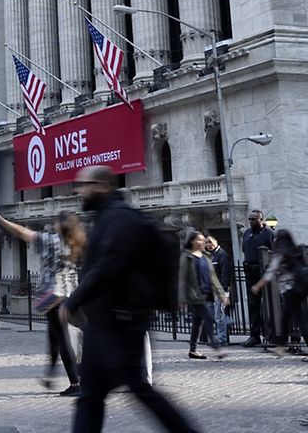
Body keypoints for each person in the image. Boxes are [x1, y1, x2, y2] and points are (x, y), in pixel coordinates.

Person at [60, 166, 202, 433]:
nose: (80, 191)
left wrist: (73, 301)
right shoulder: (106, 218)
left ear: (103, 185)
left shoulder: (119, 219)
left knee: (138, 390)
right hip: (102, 324)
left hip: (120, 324)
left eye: (84, 185)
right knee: (91, 396)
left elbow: (106, 267)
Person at [0, 210, 85, 395]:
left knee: (62, 339)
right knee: (53, 337)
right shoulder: (75, 243)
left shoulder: (52, 241)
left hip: (52, 296)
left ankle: (76, 384)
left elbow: (21, 232)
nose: (53, 223)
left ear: (61, 225)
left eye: (56, 221)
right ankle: (51, 377)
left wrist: (1, 220)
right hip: (68, 293)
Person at [251, 229, 308, 362]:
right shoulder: (295, 252)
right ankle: (280, 346)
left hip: (289, 290)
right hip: (298, 289)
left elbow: (269, 273)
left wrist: (257, 286)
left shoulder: (280, 254)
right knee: (285, 318)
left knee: (299, 320)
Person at [178, 231, 229, 360]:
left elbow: (213, 278)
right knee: (209, 318)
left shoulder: (206, 257)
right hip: (194, 296)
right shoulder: (186, 257)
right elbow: (182, 279)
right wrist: (181, 298)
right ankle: (216, 346)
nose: (203, 243)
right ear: (192, 241)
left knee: (197, 322)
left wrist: (221, 294)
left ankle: (193, 350)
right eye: (200, 240)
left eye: (204, 241)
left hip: (207, 294)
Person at [240, 210, 276, 347]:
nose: (251, 221)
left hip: (265, 272)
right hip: (251, 272)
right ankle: (254, 335)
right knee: (253, 304)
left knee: (269, 303)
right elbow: (245, 250)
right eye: (249, 218)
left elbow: (274, 252)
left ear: (261, 219)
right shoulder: (247, 233)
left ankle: (272, 333)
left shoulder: (269, 234)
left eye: (254, 219)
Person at [205, 235, 233, 346]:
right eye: (207, 243)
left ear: (216, 242)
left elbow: (225, 274)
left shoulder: (222, 255)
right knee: (214, 315)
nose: (208, 245)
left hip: (219, 290)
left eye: (210, 242)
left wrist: (223, 291)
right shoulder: (211, 256)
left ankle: (222, 339)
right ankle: (229, 322)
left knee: (219, 316)